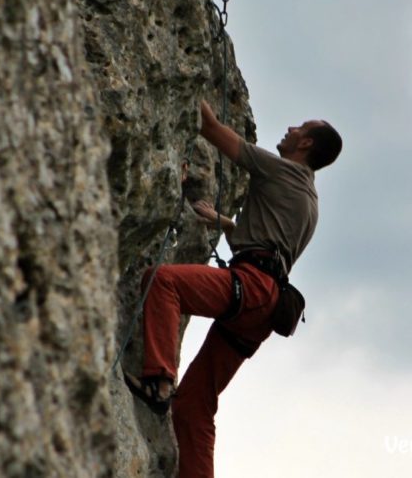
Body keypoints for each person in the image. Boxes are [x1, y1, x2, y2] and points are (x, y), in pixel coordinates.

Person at [124, 100, 342, 477]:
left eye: (299, 127)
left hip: (251, 287)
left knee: (163, 281)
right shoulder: (309, 200)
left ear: (305, 144)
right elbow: (269, 243)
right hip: (264, 308)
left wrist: (192, 82)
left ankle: (158, 381)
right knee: (195, 404)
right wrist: (223, 221)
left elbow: (208, 127)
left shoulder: (278, 168)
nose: (290, 128)